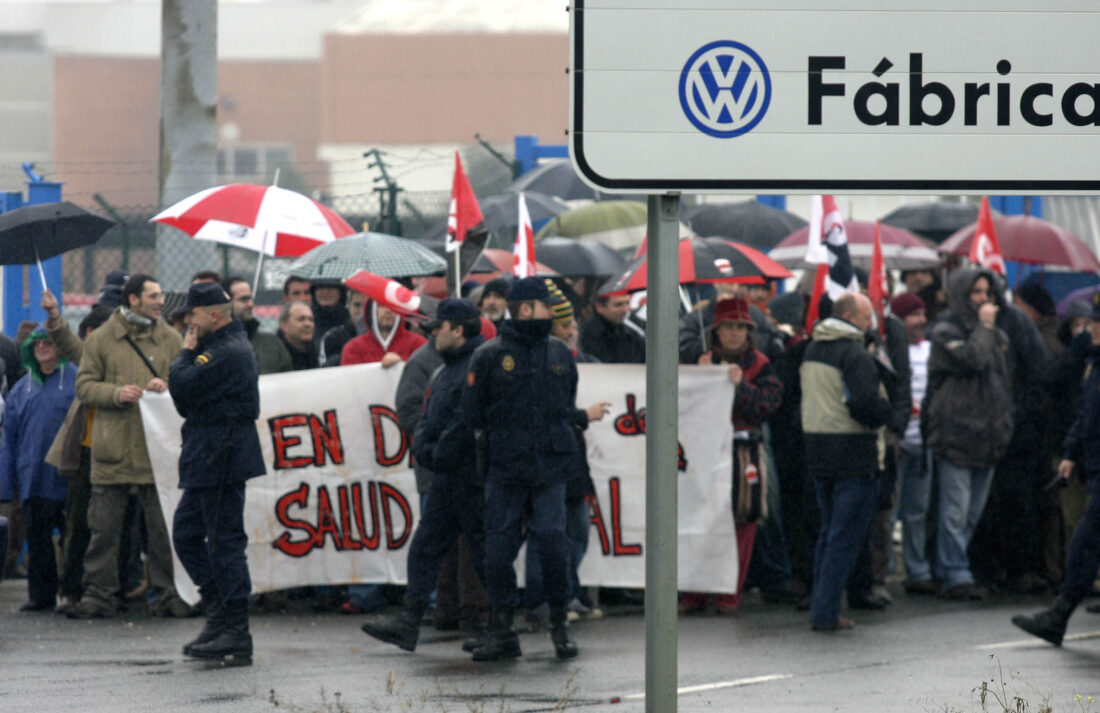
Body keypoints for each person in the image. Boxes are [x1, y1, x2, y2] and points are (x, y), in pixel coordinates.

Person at [461, 276, 581, 660]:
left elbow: (566, 405)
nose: (553, 314)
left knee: (552, 544)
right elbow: (473, 413)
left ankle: (560, 624)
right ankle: (502, 630)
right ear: (526, 308)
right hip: (506, 470)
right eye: (547, 306)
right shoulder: (490, 356)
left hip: (549, 469)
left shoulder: (560, 353)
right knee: (497, 554)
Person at [360, 298, 488, 652]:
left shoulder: (477, 364)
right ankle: (409, 621)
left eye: (439, 328)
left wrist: (435, 450)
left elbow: (465, 420)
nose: (432, 335)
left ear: (457, 330)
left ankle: (495, 626)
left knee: (483, 552)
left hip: (470, 475)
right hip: (447, 475)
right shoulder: (445, 367)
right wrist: (428, 448)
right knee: (426, 547)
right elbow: (428, 413)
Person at [67, 274, 189, 619]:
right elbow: (85, 386)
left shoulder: (171, 339)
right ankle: (99, 595)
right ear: (132, 299)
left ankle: (170, 595)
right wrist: (116, 393)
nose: (160, 301)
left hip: (157, 451)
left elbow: (186, 382)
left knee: (163, 531)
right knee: (103, 531)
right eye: (153, 295)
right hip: (113, 450)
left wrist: (166, 385)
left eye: (160, 295)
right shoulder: (103, 338)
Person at [168, 282, 265, 664]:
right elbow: (182, 399)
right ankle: (219, 614)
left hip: (221, 455)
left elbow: (182, 384)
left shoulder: (226, 350)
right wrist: (189, 359)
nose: (187, 323)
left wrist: (185, 353)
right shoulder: (218, 347)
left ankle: (236, 632)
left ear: (212, 315)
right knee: (188, 535)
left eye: (191, 315)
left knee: (225, 545)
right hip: (208, 454)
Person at [680, 296, 782, 615]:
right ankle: (694, 591)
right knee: (698, 517)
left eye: (741, 327)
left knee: (742, 520)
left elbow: (767, 405)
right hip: (704, 451)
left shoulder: (761, 364)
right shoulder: (698, 361)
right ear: (716, 330)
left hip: (743, 453)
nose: (735, 333)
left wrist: (740, 388)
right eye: (729, 327)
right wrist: (701, 379)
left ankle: (729, 593)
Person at [801, 292, 893, 631]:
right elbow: (865, 404)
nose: (871, 324)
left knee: (828, 534)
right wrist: (891, 411)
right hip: (854, 454)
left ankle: (820, 605)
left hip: (819, 451)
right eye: (867, 317)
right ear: (851, 316)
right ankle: (825, 613)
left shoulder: (813, 349)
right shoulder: (853, 354)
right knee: (844, 538)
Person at [1012, 299, 1100, 646]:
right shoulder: (1092, 363)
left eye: (1096, 324)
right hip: (1094, 464)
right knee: (1085, 540)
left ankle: (1058, 615)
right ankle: (1058, 616)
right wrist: (1071, 452)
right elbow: (1086, 412)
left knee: (1085, 539)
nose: (1091, 328)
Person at [922, 268, 1014, 601]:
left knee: (972, 512)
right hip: (957, 437)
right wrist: (986, 328)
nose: (983, 299)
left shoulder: (996, 335)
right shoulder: (946, 331)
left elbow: (1005, 382)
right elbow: (973, 359)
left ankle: (956, 567)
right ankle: (954, 573)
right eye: (976, 292)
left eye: (987, 292)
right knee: (954, 512)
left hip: (988, 437)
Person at [41, 291, 113, 614]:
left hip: (119, 452)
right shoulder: (92, 358)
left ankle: (113, 588)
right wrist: (55, 317)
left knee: (114, 527)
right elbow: (69, 345)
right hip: (87, 452)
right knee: (80, 523)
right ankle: (71, 589)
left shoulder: (126, 357)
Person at [0, 326, 78, 611]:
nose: (43, 348)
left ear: (60, 347)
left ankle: (72, 593)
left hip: (68, 477)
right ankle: (41, 596)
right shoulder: (22, 389)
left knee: (73, 540)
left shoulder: (76, 380)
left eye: (49, 343)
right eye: (37, 345)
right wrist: (6, 486)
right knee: (38, 540)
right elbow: (9, 438)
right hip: (32, 477)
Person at [888, 292, 936, 595]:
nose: (920, 321)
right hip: (897, 440)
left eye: (922, 314)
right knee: (890, 511)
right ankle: (888, 569)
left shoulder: (931, 350)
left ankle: (917, 570)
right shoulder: (889, 352)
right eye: (912, 315)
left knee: (917, 511)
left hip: (924, 441)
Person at [224, 276, 293, 374]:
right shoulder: (218, 346)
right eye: (244, 299)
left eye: (250, 298)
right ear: (227, 303)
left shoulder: (271, 342)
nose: (250, 304)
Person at [341, 301, 426, 367]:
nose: (388, 310)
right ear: (372, 310)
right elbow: (352, 383)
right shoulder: (353, 348)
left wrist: (402, 365)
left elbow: (424, 380)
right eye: (381, 305)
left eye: (393, 305)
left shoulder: (419, 344)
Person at [579, 293, 646, 364]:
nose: (625, 310)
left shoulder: (631, 336)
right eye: (618, 305)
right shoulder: (584, 334)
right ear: (599, 307)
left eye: (627, 303)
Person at [319, 286, 367, 367]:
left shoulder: (383, 335)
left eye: (366, 306)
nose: (362, 311)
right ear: (348, 307)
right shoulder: (333, 337)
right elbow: (327, 369)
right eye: (357, 305)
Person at [277, 301, 319, 370]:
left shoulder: (317, 353)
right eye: (301, 319)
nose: (308, 324)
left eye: (311, 320)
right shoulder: (272, 354)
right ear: (284, 325)